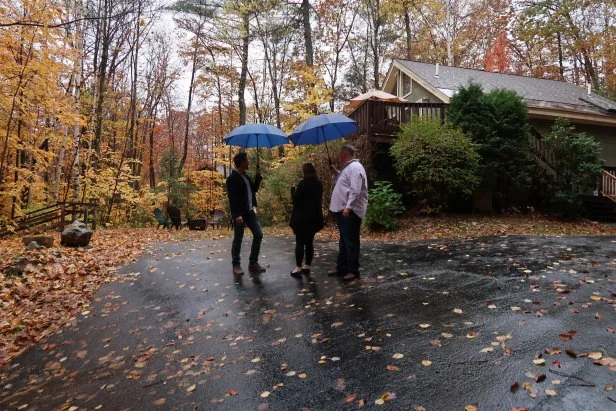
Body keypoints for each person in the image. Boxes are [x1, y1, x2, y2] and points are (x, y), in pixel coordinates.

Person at [328, 145, 368, 281]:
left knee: (351, 241)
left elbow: (355, 189)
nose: (339, 156)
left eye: (340, 154)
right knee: (344, 241)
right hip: (343, 210)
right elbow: (343, 182)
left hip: (350, 212)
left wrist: (348, 207)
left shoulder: (355, 168)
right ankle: (341, 267)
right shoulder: (349, 167)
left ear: (344, 155)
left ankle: (353, 270)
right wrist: (335, 172)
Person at [226, 152, 266, 277]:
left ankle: (253, 263)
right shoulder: (232, 178)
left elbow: (254, 189)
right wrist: (237, 215)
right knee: (238, 238)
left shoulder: (246, 176)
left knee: (258, 234)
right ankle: (236, 265)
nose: (248, 162)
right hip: (239, 213)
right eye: (247, 160)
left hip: (249, 211)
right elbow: (232, 199)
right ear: (242, 162)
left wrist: (258, 177)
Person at [289, 163, 324, 278]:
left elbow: (296, 200)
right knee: (309, 242)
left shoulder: (302, 184)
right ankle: (307, 266)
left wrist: (293, 189)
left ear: (305, 172)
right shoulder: (319, 184)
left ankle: (298, 267)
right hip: (314, 218)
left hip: (302, 219)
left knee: (300, 242)